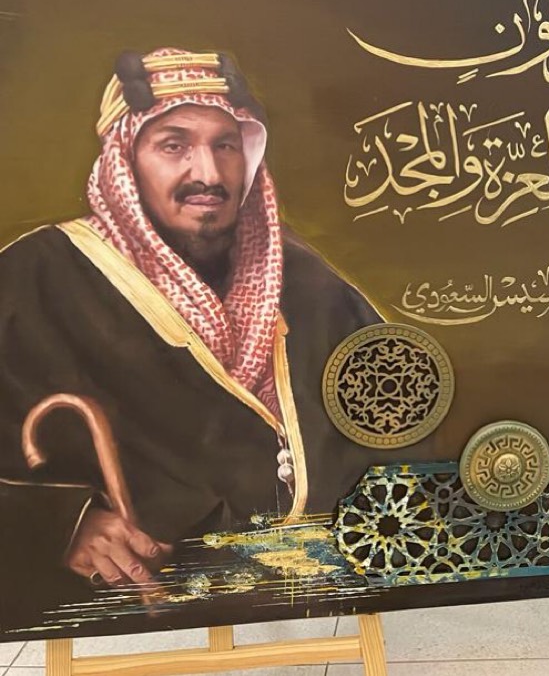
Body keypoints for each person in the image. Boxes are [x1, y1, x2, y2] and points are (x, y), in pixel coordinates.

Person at [0, 48, 384, 623]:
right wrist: (64, 524)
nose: (207, 173)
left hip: (316, 592)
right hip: (134, 607)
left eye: (225, 145)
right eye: (174, 145)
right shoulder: (33, 279)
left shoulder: (307, 281)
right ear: (126, 160)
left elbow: (396, 426)